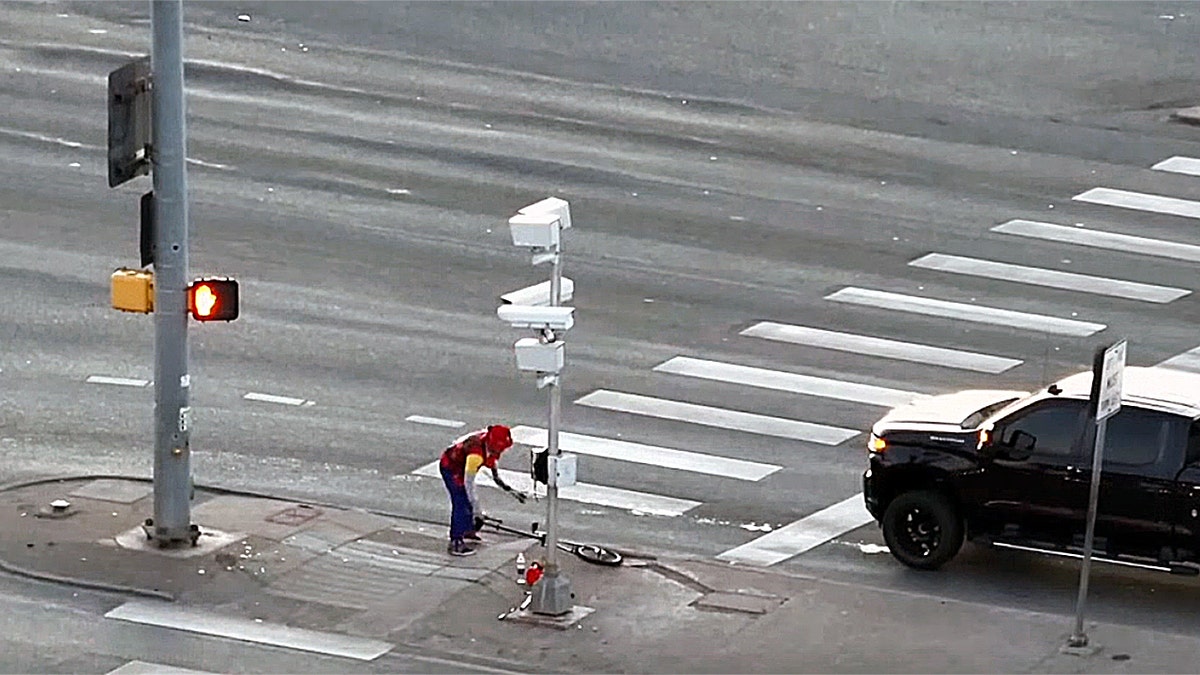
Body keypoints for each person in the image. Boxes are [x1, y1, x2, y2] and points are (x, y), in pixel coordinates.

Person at [438, 424, 524, 556]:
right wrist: (477, 511)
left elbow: (495, 473)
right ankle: (456, 542)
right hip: (451, 467)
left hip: (462, 466)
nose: (501, 452)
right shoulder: (475, 455)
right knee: (462, 502)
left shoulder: (490, 446)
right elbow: (469, 485)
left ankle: (468, 530)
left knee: (468, 505)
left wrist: (510, 490)